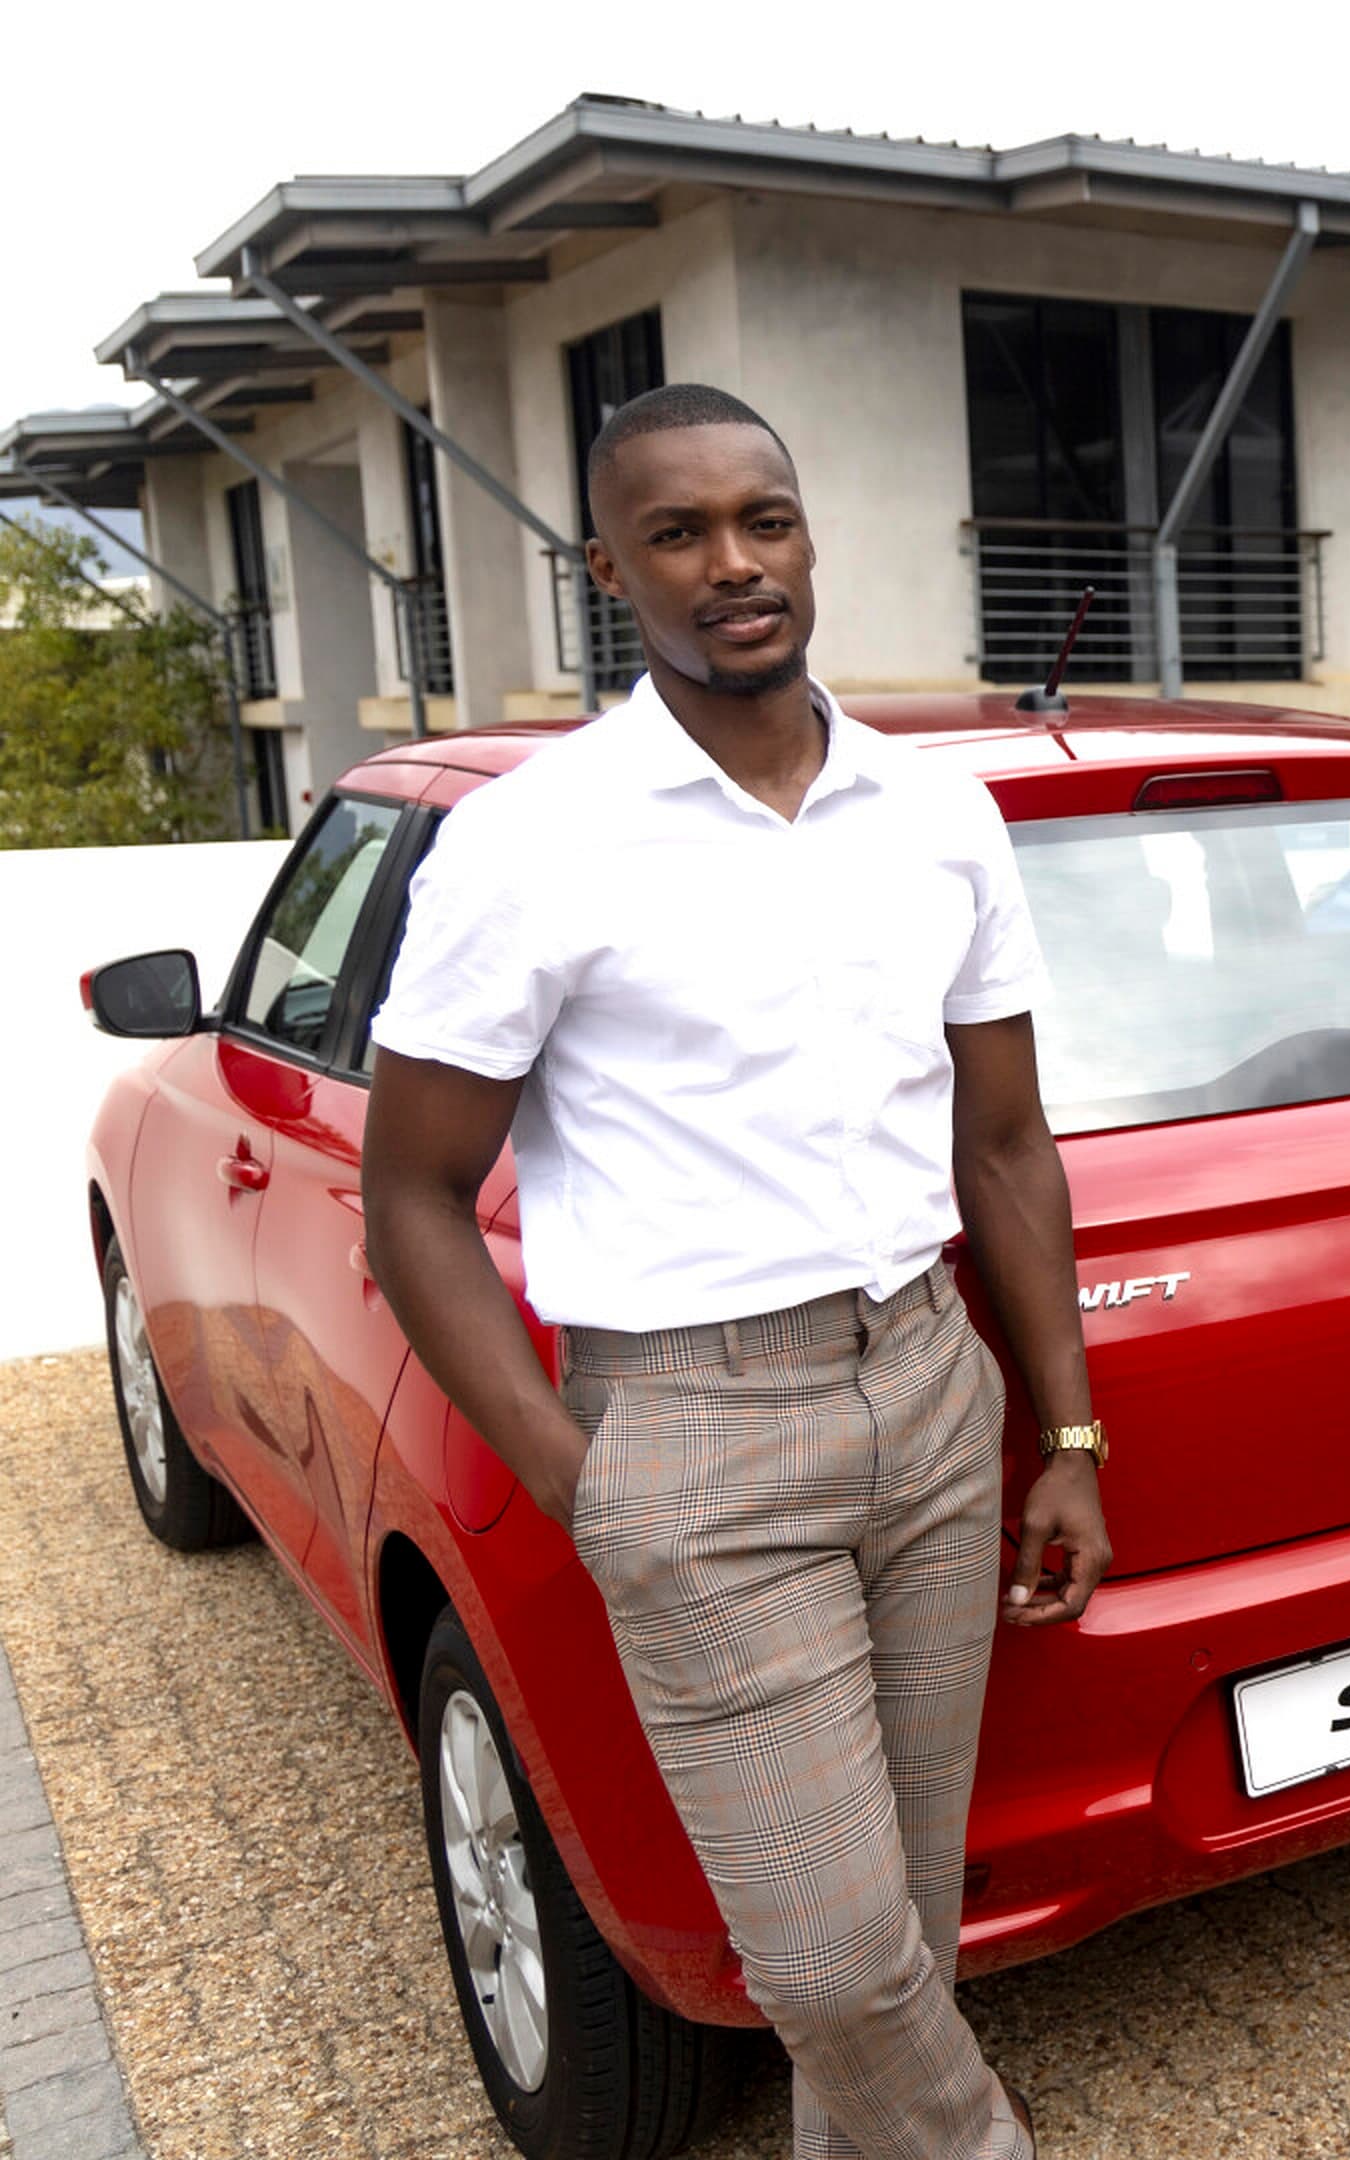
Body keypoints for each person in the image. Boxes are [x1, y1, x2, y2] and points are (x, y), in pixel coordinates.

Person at [363, 382, 1105, 2158]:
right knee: (832, 1965)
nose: (733, 564)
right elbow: (411, 1194)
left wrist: (1065, 1443)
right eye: (679, 533)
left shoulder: (935, 816)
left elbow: (1003, 1148)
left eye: (761, 519)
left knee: (908, 1928)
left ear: (807, 534)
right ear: (610, 569)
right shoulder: (532, 841)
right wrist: (587, 1483)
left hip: (929, 1395)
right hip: (690, 1434)